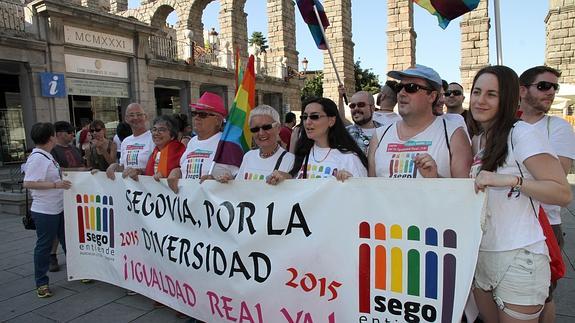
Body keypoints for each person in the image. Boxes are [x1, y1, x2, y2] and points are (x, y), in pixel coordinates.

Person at [469, 65, 572, 323]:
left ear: (507, 99)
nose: (480, 100)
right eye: (477, 91)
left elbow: (561, 193)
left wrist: (510, 180)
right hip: (482, 256)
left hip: (520, 256)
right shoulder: (479, 140)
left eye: (491, 94)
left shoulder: (522, 133)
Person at [518, 65, 575, 323]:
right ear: (522, 90)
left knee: (544, 296)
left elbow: (557, 177)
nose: (551, 91)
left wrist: (512, 176)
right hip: (509, 221)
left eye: (554, 87)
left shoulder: (557, 127)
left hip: (544, 224)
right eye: (543, 86)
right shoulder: (508, 124)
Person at [368, 64, 472, 178]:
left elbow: (464, 192)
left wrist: (435, 178)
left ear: (432, 96)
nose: (402, 93)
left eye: (411, 87)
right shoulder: (379, 136)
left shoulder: (454, 135)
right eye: (399, 87)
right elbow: (370, 190)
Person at [267, 97, 368, 184]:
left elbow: (363, 197)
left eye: (314, 117)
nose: (308, 122)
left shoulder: (350, 159)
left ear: (331, 121)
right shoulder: (302, 154)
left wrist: (351, 182)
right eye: (305, 117)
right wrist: (285, 177)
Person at [22, 123, 72, 298]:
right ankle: (41, 282)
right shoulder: (38, 158)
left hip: (57, 207)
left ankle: (78, 270)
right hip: (45, 211)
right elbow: (28, 183)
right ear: (51, 137)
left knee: (67, 241)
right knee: (44, 246)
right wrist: (55, 185)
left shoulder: (46, 156)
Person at [167, 92, 237, 192]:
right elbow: (184, 169)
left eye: (202, 114)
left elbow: (238, 179)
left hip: (212, 204)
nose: (196, 117)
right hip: (188, 203)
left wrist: (217, 181)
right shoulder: (192, 142)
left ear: (218, 120)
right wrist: (176, 171)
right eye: (195, 113)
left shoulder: (227, 144)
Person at [218, 105, 294, 182]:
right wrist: (229, 181)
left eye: (266, 127)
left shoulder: (290, 160)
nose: (261, 133)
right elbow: (239, 186)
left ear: (278, 128)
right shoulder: (248, 156)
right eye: (255, 129)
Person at [49, 121, 86, 272]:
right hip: (60, 194)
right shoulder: (52, 151)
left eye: (72, 132)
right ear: (59, 134)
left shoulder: (75, 149)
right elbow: (54, 170)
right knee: (58, 228)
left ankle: (75, 254)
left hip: (78, 192)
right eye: (69, 132)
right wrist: (77, 170)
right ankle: (52, 255)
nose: (72, 134)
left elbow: (84, 165)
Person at [106, 103, 154, 181]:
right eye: (131, 115)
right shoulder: (125, 141)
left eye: (139, 114)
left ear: (145, 117)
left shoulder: (153, 138)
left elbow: (159, 167)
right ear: (126, 119)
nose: (135, 118)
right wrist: (114, 166)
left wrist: (139, 171)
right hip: (131, 189)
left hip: (150, 188)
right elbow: (124, 167)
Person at [338, 86, 383, 154]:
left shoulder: (386, 132)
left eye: (361, 104)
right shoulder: (346, 135)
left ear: (373, 108)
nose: (356, 108)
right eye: (352, 106)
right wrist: (340, 97)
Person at [143, 115, 186, 179]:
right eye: (154, 129)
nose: (156, 133)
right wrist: (139, 171)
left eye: (161, 130)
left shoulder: (180, 152)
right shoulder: (155, 152)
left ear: (172, 136)